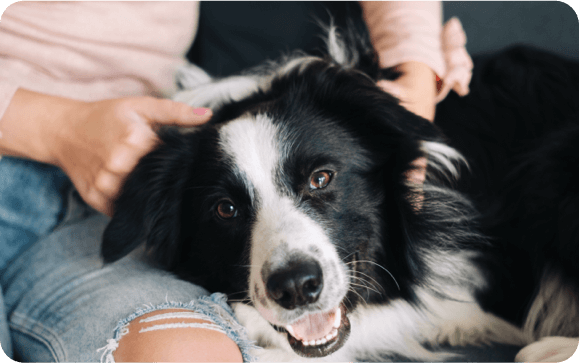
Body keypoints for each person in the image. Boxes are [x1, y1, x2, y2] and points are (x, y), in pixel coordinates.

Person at [0, 1, 471, 361]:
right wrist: (58, 127)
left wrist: (414, 71)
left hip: (96, 201)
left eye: (321, 179)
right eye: (227, 209)